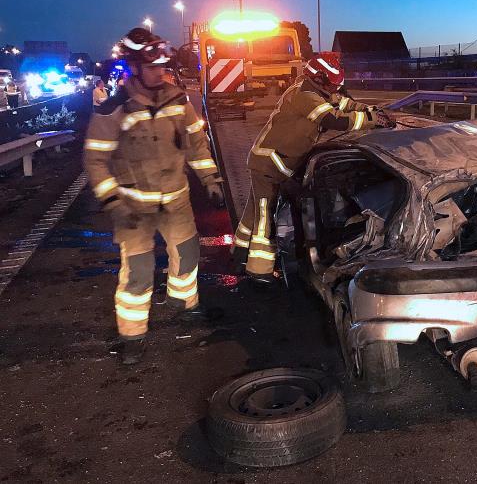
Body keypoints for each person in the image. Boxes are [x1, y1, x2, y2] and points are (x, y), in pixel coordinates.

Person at [84, 27, 225, 365]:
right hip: (133, 206)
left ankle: (184, 308)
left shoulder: (178, 100)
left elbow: (195, 143)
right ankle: (132, 336)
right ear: (134, 67)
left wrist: (210, 178)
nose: (159, 73)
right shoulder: (115, 107)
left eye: (162, 67)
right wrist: (113, 202)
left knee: (188, 256)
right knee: (138, 269)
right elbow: (96, 158)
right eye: (152, 68)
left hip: (176, 199)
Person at [232, 53, 393, 285]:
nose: (336, 89)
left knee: (253, 211)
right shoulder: (306, 96)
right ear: (319, 78)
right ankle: (260, 270)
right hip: (269, 163)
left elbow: (344, 104)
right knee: (264, 218)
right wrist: (371, 120)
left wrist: (372, 110)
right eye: (332, 83)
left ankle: (238, 254)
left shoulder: (317, 91)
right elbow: (333, 119)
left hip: (272, 161)